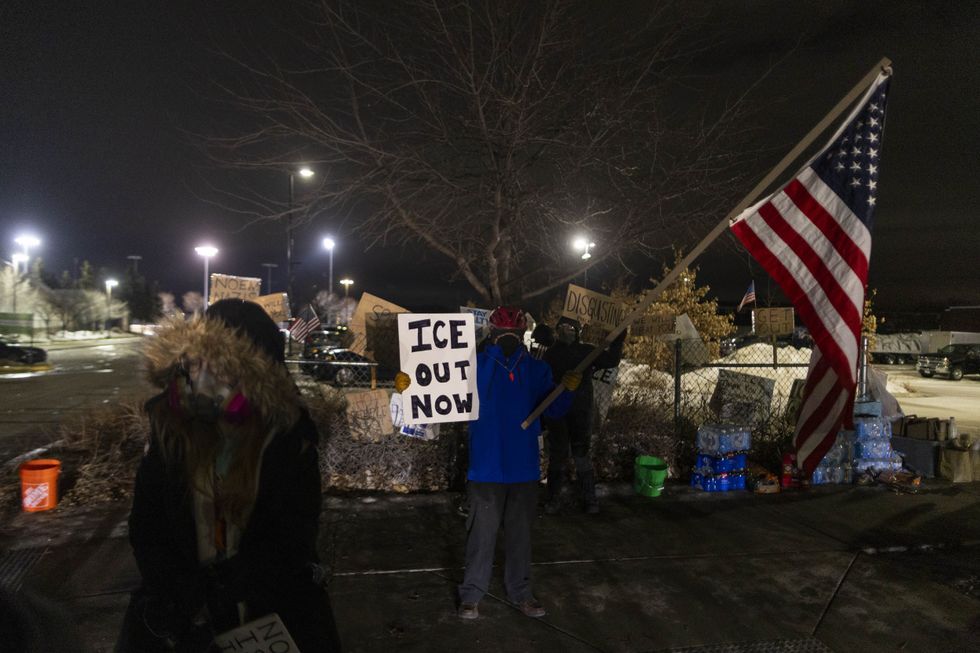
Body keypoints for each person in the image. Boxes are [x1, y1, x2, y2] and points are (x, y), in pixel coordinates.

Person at [117, 299, 341, 652]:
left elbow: (295, 532)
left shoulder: (287, 437)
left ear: (256, 374)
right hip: (182, 622)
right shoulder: (168, 430)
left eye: (221, 366)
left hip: (270, 616)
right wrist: (180, 593)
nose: (204, 377)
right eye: (197, 362)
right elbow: (147, 525)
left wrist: (237, 584)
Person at [395, 306, 579, 621]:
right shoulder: (470, 367)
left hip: (523, 469)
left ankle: (521, 592)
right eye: (501, 334)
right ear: (490, 335)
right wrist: (409, 387)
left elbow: (554, 410)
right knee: (481, 536)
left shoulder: (537, 370)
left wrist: (566, 391)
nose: (507, 338)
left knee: (520, 537)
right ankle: (471, 594)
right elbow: (436, 391)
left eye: (514, 334)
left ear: (523, 336)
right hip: (486, 468)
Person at [539, 317, 625, 515]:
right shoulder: (551, 354)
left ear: (578, 331)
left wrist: (618, 339)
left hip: (581, 412)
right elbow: (542, 381)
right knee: (558, 456)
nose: (566, 331)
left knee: (581, 455)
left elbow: (611, 360)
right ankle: (553, 498)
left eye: (570, 328)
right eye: (562, 328)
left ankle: (589, 499)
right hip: (558, 413)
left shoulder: (588, 351)